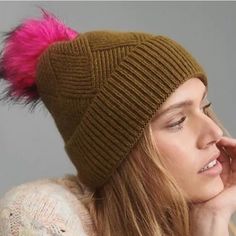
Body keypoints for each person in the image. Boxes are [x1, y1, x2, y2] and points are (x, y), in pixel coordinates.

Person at [0, 9, 236, 236]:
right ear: (117, 151)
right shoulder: (39, 216)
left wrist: (213, 219)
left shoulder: (201, 214)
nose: (214, 132)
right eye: (177, 121)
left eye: (204, 107)